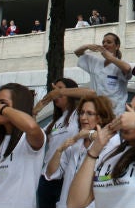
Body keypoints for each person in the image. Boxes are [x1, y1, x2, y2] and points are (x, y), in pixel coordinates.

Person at [45, 96, 118, 208]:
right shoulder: (74, 143)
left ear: (100, 118)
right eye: (82, 113)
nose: (83, 117)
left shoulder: (109, 145)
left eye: (89, 113)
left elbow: (106, 138)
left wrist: (86, 134)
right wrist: (59, 151)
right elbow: (51, 174)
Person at [34, 78, 81, 208]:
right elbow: (35, 137)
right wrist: (34, 113)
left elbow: (92, 93)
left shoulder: (80, 114)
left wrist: (62, 91)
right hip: (47, 177)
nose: (56, 93)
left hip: (67, 177)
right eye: (54, 90)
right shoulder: (54, 121)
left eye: (60, 88)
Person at [74, 33, 132, 115]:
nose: (105, 44)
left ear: (117, 46)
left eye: (109, 42)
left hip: (115, 113)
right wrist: (86, 46)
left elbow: (127, 68)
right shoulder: (95, 62)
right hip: (96, 111)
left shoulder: (120, 65)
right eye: (103, 42)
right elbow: (77, 53)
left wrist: (110, 58)